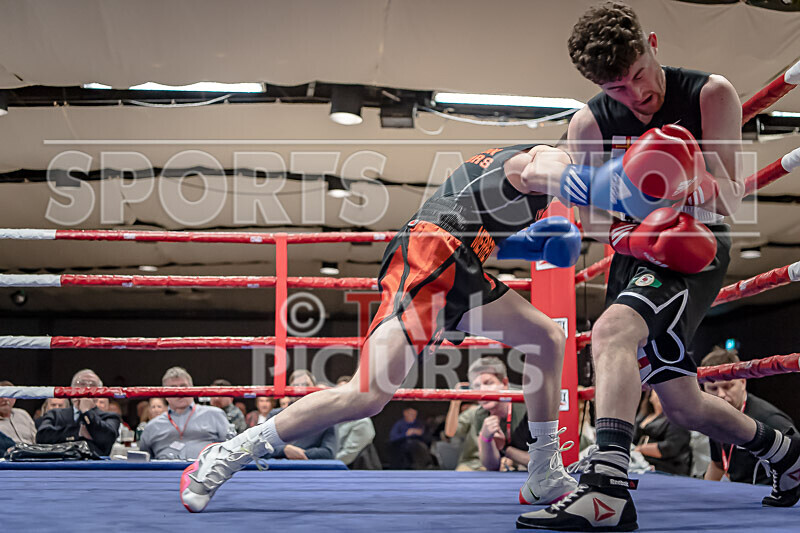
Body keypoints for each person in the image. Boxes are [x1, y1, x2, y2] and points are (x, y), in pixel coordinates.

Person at [179, 113, 589, 511]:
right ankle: (227, 454)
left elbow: (484, 235)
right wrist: (608, 188)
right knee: (367, 395)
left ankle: (543, 471)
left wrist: (533, 245)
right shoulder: (553, 156)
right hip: (433, 253)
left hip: (459, 263)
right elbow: (543, 174)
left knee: (546, 337)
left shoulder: (512, 175)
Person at [518, 3, 800, 530]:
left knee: (611, 332)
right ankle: (787, 455)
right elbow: (593, 218)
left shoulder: (709, 94)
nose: (637, 94)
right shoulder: (590, 122)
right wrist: (624, 227)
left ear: (652, 43)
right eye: (619, 88)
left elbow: (734, 198)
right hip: (633, 255)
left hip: (693, 243)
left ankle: (606, 492)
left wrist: (689, 176)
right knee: (682, 405)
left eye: (640, 76)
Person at [701, 347, 797, 485]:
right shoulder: (715, 417)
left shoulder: (771, 419)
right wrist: (705, 494)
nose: (721, 394)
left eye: (728, 386)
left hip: (769, 498)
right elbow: (718, 464)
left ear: (743, 382)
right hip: (739, 493)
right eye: (713, 389)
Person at [443, 357, 532, 476]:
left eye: (488, 383)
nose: (482, 391)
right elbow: (491, 466)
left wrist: (505, 449)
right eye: (476, 386)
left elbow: (544, 463)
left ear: (504, 384)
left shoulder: (528, 406)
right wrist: (486, 439)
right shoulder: (481, 414)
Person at [139, 367, 231, 460]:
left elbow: (232, 450)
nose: (179, 391)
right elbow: (143, 460)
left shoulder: (214, 415)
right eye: (173, 388)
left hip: (206, 471)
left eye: (183, 386)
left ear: (192, 389)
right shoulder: (152, 426)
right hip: (164, 472)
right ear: (165, 393)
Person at [35, 370, 120, 456]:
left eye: (92, 385)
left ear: (99, 393)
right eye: (82, 384)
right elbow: (41, 437)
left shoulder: (110, 417)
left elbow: (107, 439)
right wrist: (77, 433)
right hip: (59, 464)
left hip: (94, 465)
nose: (86, 389)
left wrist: (87, 412)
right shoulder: (55, 414)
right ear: (72, 389)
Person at [266, 370, 337, 461]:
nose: (301, 389)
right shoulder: (275, 415)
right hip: (277, 469)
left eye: (306, 385)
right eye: (296, 385)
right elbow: (262, 449)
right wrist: (284, 450)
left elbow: (329, 453)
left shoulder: (328, 418)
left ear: (314, 388)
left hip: (310, 470)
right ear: (289, 390)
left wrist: (297, 453)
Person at [633, 390, 691, 476]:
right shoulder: (643, 416)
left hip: (666, 466)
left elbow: (670, 447)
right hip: (639, 462)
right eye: (657, 391)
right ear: (650, 396)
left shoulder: (677, 420)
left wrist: (639, 449)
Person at [333, 376, 380, 469]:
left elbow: (348, 456)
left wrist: (322, 462)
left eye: (345, 392)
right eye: (337, 392)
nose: (340, 396)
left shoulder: (362, 422)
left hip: (354, 475)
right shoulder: (332, 419)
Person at [0, 381, 37, 445]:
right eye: (1, 395)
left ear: (15, 398)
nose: (5, 399)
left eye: (9, 395)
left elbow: (36, 440)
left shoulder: (23, 414)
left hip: (32, 452)